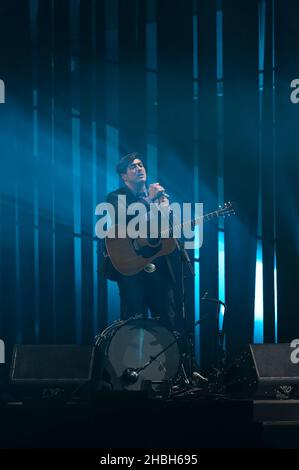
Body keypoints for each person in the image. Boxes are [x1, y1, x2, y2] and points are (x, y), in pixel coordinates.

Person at [104, 152, 179, 332]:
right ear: (123, 176)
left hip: (158, 265)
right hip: (131, 266)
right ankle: (132, 360)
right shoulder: (115, 197)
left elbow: (168, 233)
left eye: (140, 165)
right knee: (133, 320)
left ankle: (168, 359)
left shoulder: (159, 198)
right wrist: (150, 200)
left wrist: (164, 208)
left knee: (166, 319)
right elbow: (126, 222)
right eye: (133, 167)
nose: (139, 169)